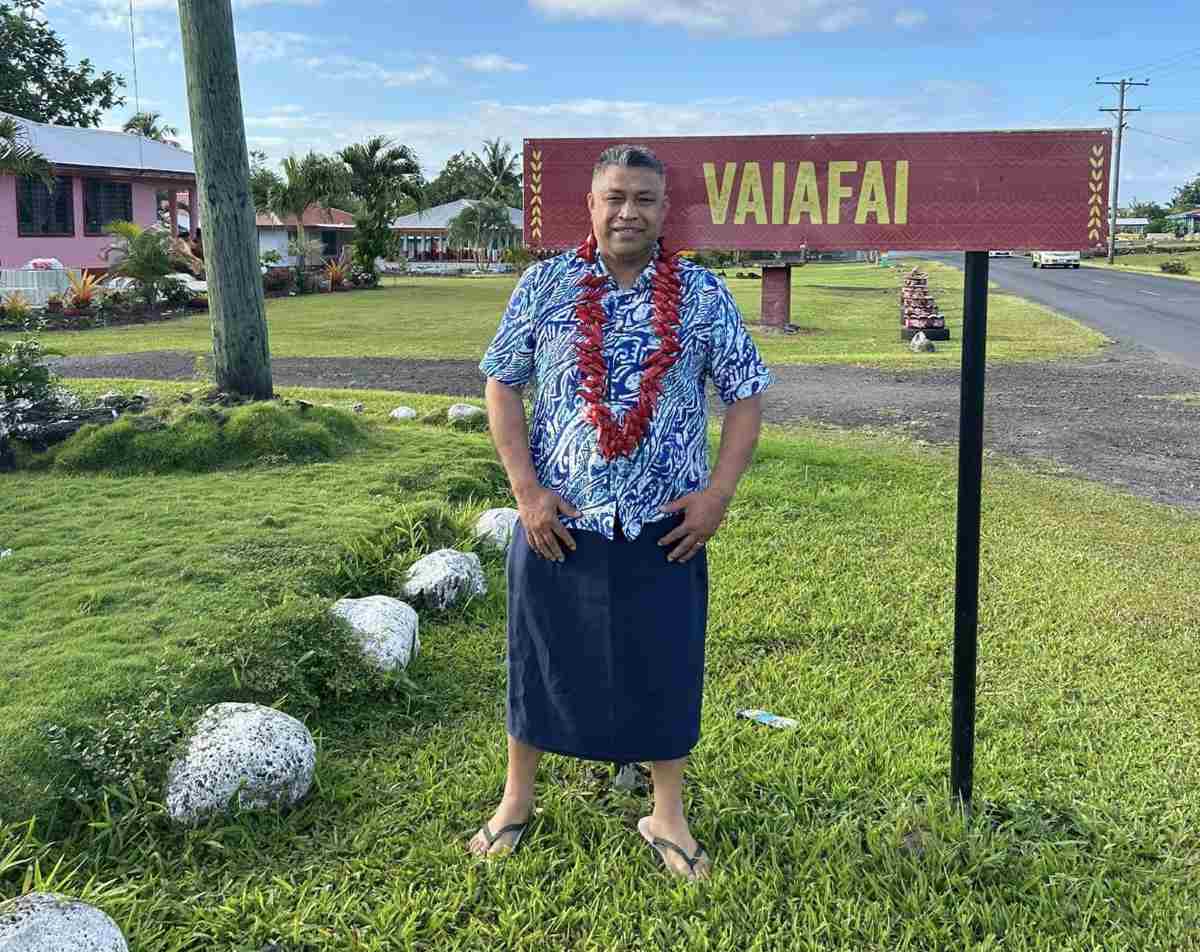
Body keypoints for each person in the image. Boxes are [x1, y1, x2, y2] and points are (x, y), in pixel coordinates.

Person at [471, 144, 773, 880]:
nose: (627, 211)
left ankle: (666, 814)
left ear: (665, 211)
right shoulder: (544, 286)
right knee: (538, 658)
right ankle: (517, 800)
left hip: (664, 525)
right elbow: (502, 384)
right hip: (559, 522)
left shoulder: (702, 295)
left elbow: (746, 394)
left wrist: (717, 498)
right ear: (592, 205)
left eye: (643, 199)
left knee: (666, 663)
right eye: (614, 197)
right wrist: (526, 494)